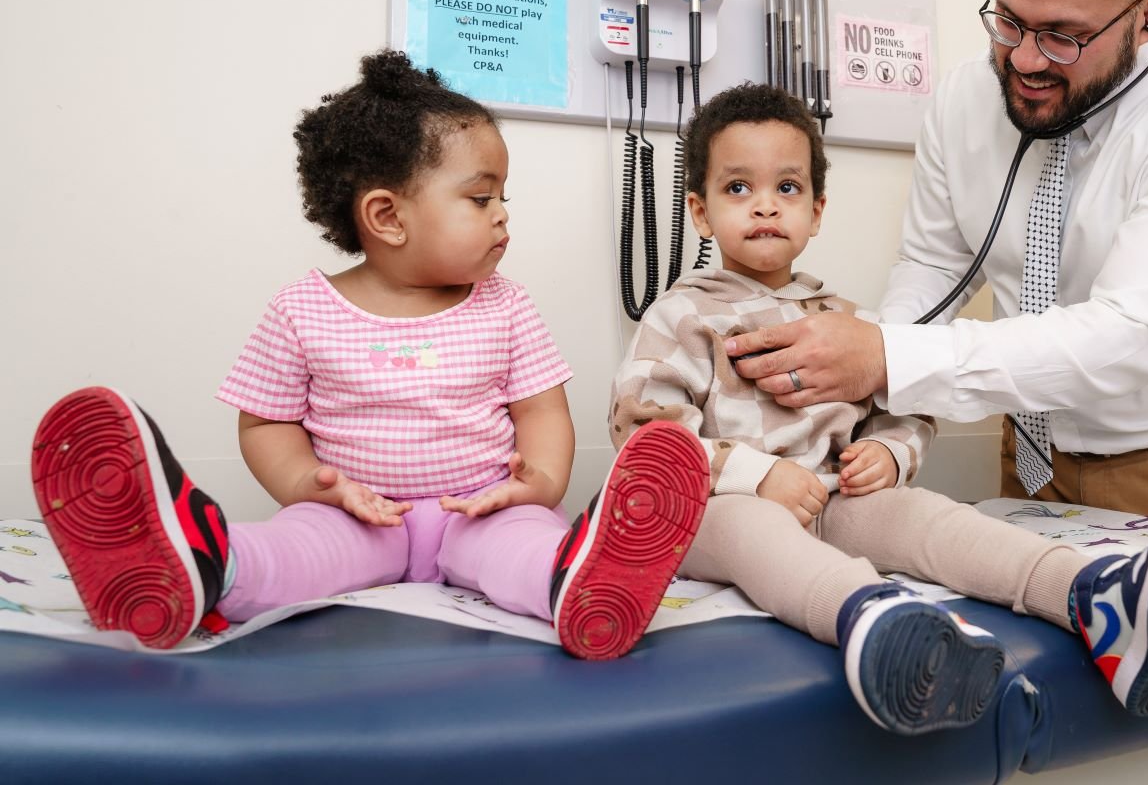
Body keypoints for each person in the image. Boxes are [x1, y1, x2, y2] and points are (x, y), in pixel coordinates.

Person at [609, 82, 1148, 735]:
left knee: (924, 515)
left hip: (833, 501)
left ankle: (1096, 595)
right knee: (758, 532)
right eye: (738, 188)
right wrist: (758, 476)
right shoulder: (683, 315)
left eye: (788, 188)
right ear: (699, 210)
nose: (766, 206)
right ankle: (872, 623)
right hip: (719, 514)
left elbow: (906, 404)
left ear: (818, 209)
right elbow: (647, 437)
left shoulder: (845, 320)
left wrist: (888, 452)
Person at [31, 50, 708, 658]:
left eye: (504, 196)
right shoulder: (302, 310)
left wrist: (541, 481)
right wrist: (306, 486)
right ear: (387, 217)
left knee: (522, 545)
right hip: (356, 514)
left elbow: (541, 409)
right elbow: (266, 422)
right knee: (295, 552)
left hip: (479, 508)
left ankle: (577, 581)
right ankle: (204, 563)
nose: (502, 213)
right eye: (480, 197)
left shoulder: (506, 303)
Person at [725, 0, 1148, 537]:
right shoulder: (965, 99)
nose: (1024, 59)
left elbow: (1125, 336)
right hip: (1031, 457)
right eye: (1011, 21)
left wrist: (886, 358)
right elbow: (935, 265)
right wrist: (872, 379)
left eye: (1063, 37)